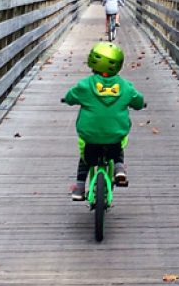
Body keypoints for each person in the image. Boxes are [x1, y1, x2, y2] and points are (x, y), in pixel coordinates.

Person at [62, 41, 145, 202]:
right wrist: (140, 104)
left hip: (90, 136)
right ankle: (119, 167)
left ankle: (79, 187)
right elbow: (138, 101)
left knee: (85, 159)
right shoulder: (125, 87)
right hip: (114, 136)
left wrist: (67, 99)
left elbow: (71, 97)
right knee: (117, 143)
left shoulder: (85, 85)